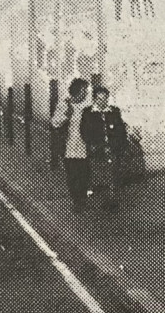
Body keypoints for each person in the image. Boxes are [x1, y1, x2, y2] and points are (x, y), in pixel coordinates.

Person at [80, 85, 127, 213]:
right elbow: (85, 132)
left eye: (105, 99)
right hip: (97, 150)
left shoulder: (114, 111)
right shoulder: (88, 112)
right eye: (99, 99)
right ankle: (99, 199)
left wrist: (117, 146)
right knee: (99, 175)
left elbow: (121, 131)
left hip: (112, 149)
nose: (102, 102)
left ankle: (111, 202)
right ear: (94, 99)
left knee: (113, 176)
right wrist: (95, 145)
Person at [50, 78, 91, 213]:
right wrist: (66, 116)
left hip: (84, 145)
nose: (86, 93)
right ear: (77, 91)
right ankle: (77, 202)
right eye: (84, 90)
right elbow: (55, 123)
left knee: (84, 174)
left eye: (86, 90)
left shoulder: (88, 105)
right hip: (69, 147)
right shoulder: (64, 104)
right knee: (73, 175)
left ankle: (83, 200)